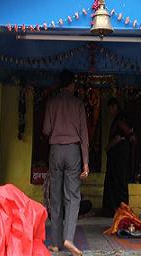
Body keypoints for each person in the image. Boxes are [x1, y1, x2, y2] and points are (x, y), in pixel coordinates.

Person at [43, 70, 89, 256]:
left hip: (55, 150)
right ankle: (68, 238)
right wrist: (85, 162)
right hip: (73, 151)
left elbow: (46, 129)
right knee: (73, 196)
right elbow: (84, 135)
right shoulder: (78, 104)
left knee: (55, 197)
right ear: (71, 85)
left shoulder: (52, 103)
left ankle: (55, 243)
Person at [102, 97, 134, 217]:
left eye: (110, 108)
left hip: (119, 156)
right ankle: (119, 209)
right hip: (120, 156)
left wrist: (108, 147)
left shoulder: (120, 119)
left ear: (114, 106)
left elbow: (118, 137)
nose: (110, 111)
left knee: (118, 182)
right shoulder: (121, 118)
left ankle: (119, 209)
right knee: (118, 182)